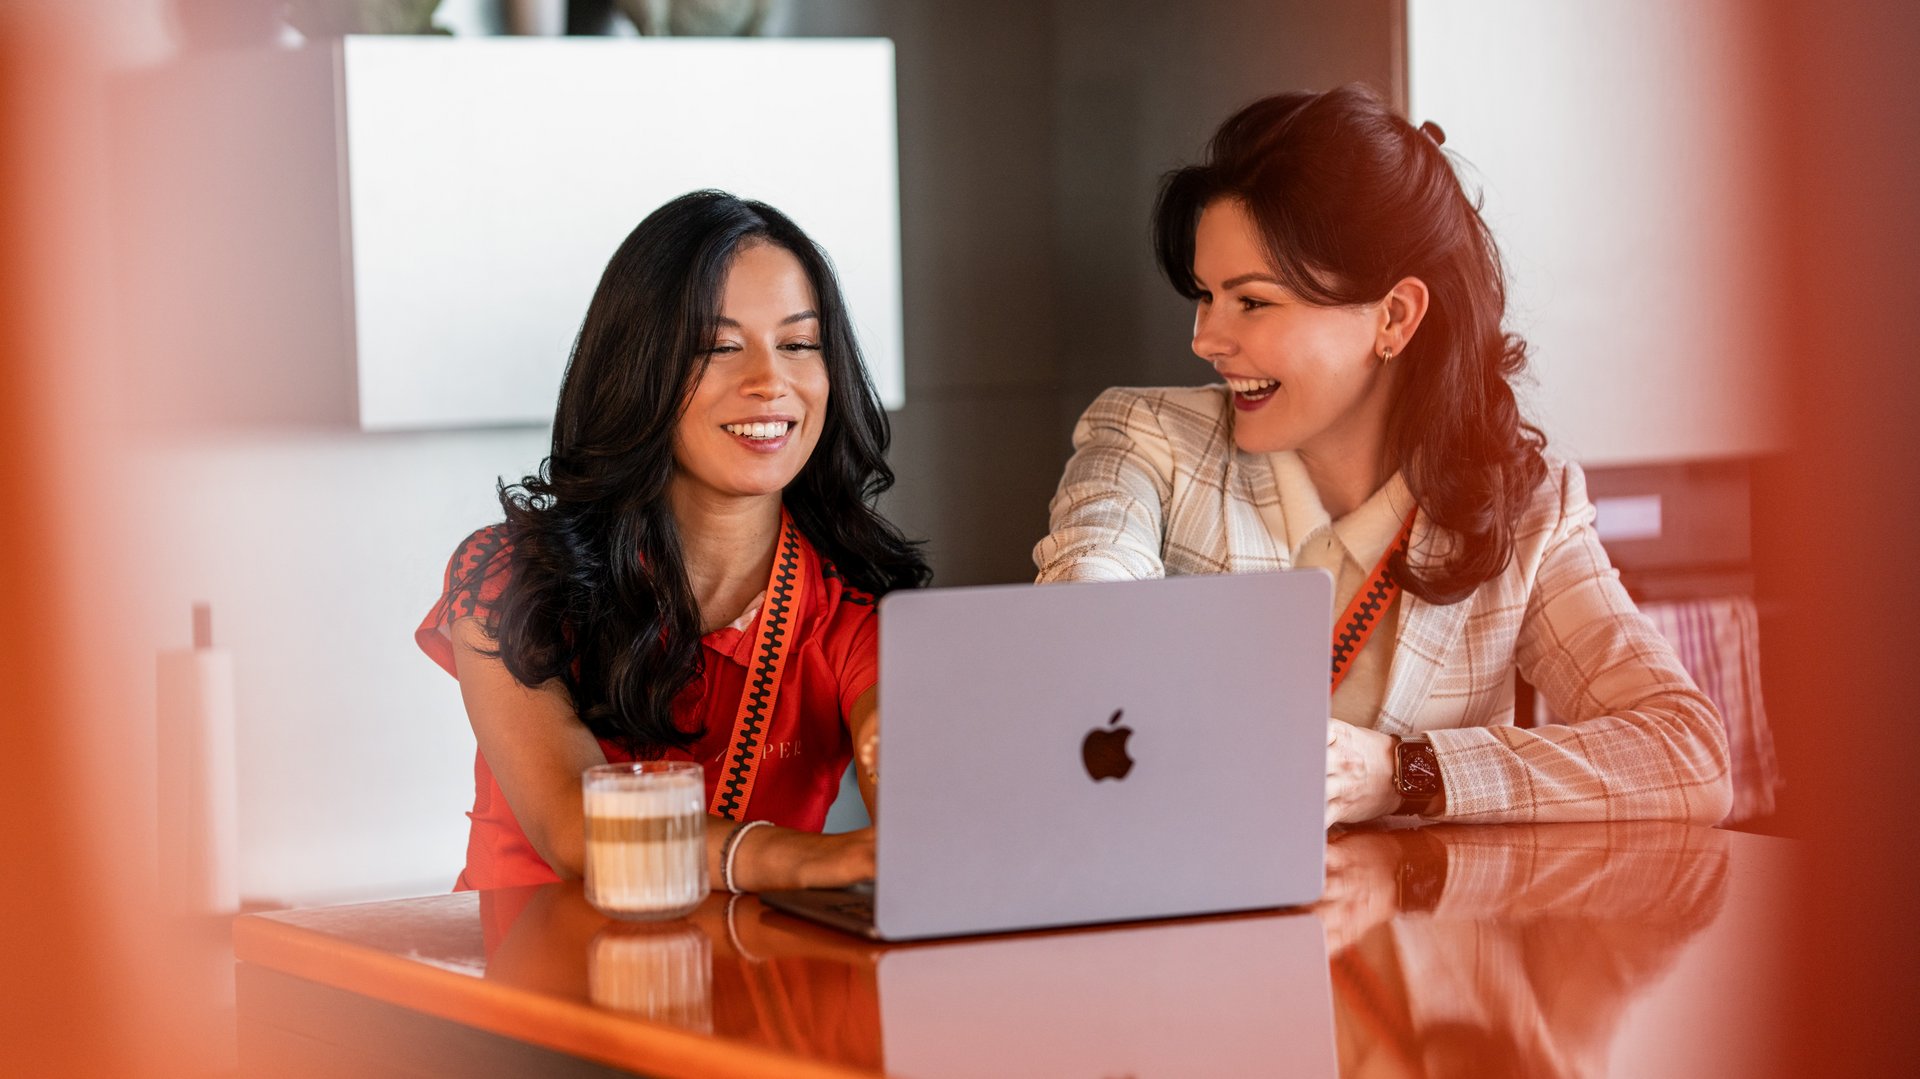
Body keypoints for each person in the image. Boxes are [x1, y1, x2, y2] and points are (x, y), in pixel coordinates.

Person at [1033, 84, 1731, 827]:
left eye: (1253, 302)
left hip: (1428, 933)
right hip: (1212, 937)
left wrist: (1403, 770)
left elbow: (1691, 756)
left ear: (1393, 316)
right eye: (1206, 296)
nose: (1205, 339)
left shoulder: (1528, 513)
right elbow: (1083, 616)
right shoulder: (1146, 444)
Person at [417, 190, 928, 893]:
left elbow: (917, 798)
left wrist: (909, 766)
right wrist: (806, 859)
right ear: (639, 369)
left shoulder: (855, 606)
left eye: (799, 344)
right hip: (523, 989)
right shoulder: (510, 575)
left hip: (739, 996)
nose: (769, 380)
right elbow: (575, 825)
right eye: (719, 346)